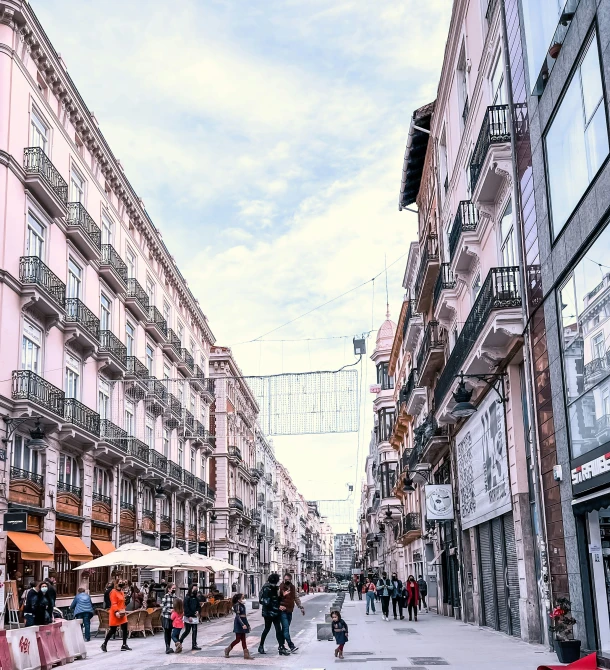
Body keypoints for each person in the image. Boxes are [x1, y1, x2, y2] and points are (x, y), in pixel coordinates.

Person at [258, 573, 289, 656]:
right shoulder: (267, 588)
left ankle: (281, 647)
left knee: (278, 630)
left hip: (275, 613)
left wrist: (282, 595)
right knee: (267, 629)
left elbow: (275, 599)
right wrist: (278, 606)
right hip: (268, 613)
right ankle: (261, 646)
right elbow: (267, 602)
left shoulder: (274, 588)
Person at [278, 572, 305, 653]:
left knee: (284, 630)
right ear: (283, 579)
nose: (287, 581)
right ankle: (291, 646)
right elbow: (276, 598)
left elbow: (296, 598)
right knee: (286, 629)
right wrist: (279, 604)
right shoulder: (280, 587)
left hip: (290, 610)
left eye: (288, 580)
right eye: (286, 579)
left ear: (291, 580)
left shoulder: (293, 587)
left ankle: (281, 647)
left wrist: (301, 607)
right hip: (282, 611)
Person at [101, 580, 131, 652]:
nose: (121, 584)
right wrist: (116, 611)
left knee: (125, 627)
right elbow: (113, 603)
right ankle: (104, 644)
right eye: (120, 582)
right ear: (116, 584)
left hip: (122, 612)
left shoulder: (121, 592)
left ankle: (124, 644)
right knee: (113, 630)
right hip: (115, 613)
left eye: (122, 582)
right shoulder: (113, 592)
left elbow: (123, 602)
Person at [224, 593, 253, 659]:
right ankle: (227, 649)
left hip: (243, 622)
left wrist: (247, 624)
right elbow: (238, 616)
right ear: (239, 599)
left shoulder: (242, 605)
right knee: (238, 639)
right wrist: (242, 624)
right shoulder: (237, 605)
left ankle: (246, 654)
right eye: (242, 598)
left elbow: (244, 616)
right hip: (239, 623)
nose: (243, 599)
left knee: (243, 639)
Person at [180, 584, 202, 651]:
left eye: (196, 589)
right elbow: (186, 607)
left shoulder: (196, 598)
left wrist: (198, 611)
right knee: (187, 630)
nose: (195, 591)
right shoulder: (187, 598)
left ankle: (194, 645)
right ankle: (180, 641)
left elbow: (199, 606)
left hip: (194, 616)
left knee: (194, 630)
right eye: (194, 589)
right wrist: (188, 615)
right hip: (189, 616)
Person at [161, 582, 177, 654]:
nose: (174, 590)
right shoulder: (166, 596)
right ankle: (167, 646)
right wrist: (169, 610)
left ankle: (169, 646)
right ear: (169, 589)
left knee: (170, 631)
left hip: (173, 617)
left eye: (175, 588)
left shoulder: (175, 597)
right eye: (173, 588)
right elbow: (162, 606)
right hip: (166, 617)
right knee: (167, 632)